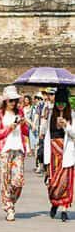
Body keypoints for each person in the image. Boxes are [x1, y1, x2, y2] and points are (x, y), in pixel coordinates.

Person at [0, 86, 29, 222]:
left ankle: (11, 201)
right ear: (5, 102)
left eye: (15, 100)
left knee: (18, 181)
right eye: (10, 101)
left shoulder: (20, 112)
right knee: (5, 181)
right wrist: (9, 128)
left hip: (18, 149)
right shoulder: (0, 115)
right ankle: (9, 207)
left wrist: (23, 124)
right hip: (5, 151)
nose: (13, 103)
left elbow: (26, 132)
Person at [42, 86, 75, 221]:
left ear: (66, 104)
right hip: (53, 153)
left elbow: (74, 134)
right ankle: (55, 203)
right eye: (58, 104)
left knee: (65, 182)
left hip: (66, 153)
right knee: (53, 183)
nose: (60, 106)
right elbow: (45, 134)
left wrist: (66, 126)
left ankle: (64, 209)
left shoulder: (72, 115)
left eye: (63, 103)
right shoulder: (50, 115)